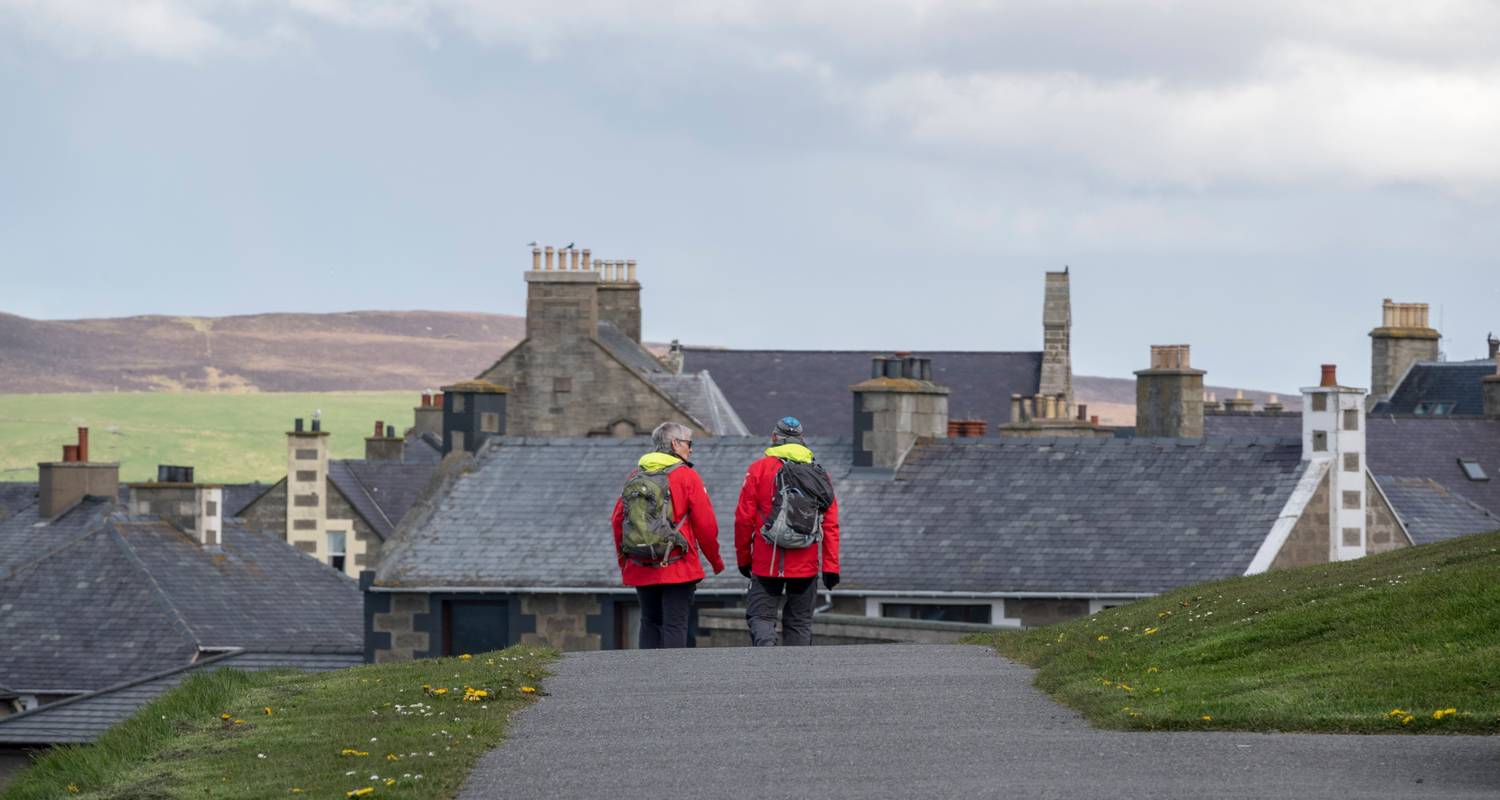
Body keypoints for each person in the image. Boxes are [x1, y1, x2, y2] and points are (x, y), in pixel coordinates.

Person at [612, 421, 724, 648]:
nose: (691, 449)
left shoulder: (636, 475)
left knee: (649, 620)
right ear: (675, 444)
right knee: (675, 623)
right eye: (688, 443)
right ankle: (672, 679)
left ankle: (647, 676)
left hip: (641, 561)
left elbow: (618, 519)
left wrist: (624, 558)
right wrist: (715, 561)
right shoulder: (687, 476)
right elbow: (706, 524)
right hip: (677, 562)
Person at [734, 416, 840, 646]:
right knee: (800, 622)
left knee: (761, 617)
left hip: (766, 561)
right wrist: (831, 567)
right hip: (806, 563)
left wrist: (744, 559)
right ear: (802, 440)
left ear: (774, 438)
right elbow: (830, 524)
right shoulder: (820, 474)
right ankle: (797, 676)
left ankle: (769, 666)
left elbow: (743, 519)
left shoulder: (758, 470)